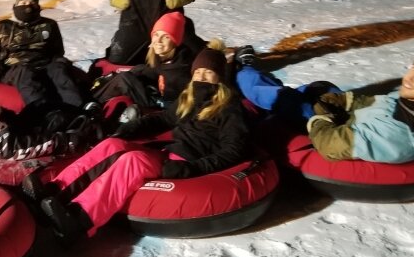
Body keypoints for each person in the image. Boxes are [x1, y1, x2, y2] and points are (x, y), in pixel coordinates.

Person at [23, 45, 249, 244]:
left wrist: (192, 168)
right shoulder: (189, 98)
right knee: (112, 144)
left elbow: (234, 149)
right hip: (170, 152)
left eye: (208, 73)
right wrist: (129, 130)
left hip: (187, 161)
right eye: (198, 72)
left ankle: (80, 219)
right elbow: (164, 119)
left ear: (219, 78)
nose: (201, 77)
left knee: (133, 161)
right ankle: (55, 191)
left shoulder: (229, 108)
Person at [234, 46, 414, 164]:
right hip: (345, 117)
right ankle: (262, 80)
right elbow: (378, 103)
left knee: (280, 98)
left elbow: (331, 145)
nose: (409, 78)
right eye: (412, 68)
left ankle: (243, 70)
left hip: (331, 127)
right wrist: (343, 100)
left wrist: (321, 115)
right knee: (321, 87)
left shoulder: (395, 130)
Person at [0, 58, 99, 161]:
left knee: (42, 107)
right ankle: (91, 132)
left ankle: (82, 112)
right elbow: (13, 149)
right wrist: (62, 141)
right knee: (56, 121)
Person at [0, 0, 97, 116]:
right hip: (15, 67)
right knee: (25, 74)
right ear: (16, 4)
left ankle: (78, 109)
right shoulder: (1, 27)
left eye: (32, 3)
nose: (28, 6)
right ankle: (44, 112)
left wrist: (58, 61)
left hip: (44, 64)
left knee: (59, 70)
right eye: (24, 3)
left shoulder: (49, 25)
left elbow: (57, 50)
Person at [92, 11, 207, 120]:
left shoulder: (180, 70)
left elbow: (178, 107)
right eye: (156, 35)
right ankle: (94, 99)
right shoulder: (166, 57)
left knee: (125, 80)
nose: (158, 41)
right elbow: (155, 70)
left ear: (175, 41)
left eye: (166, 37)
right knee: (132, 73)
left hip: (163, 109)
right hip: (158, 98)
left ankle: (94, 103)